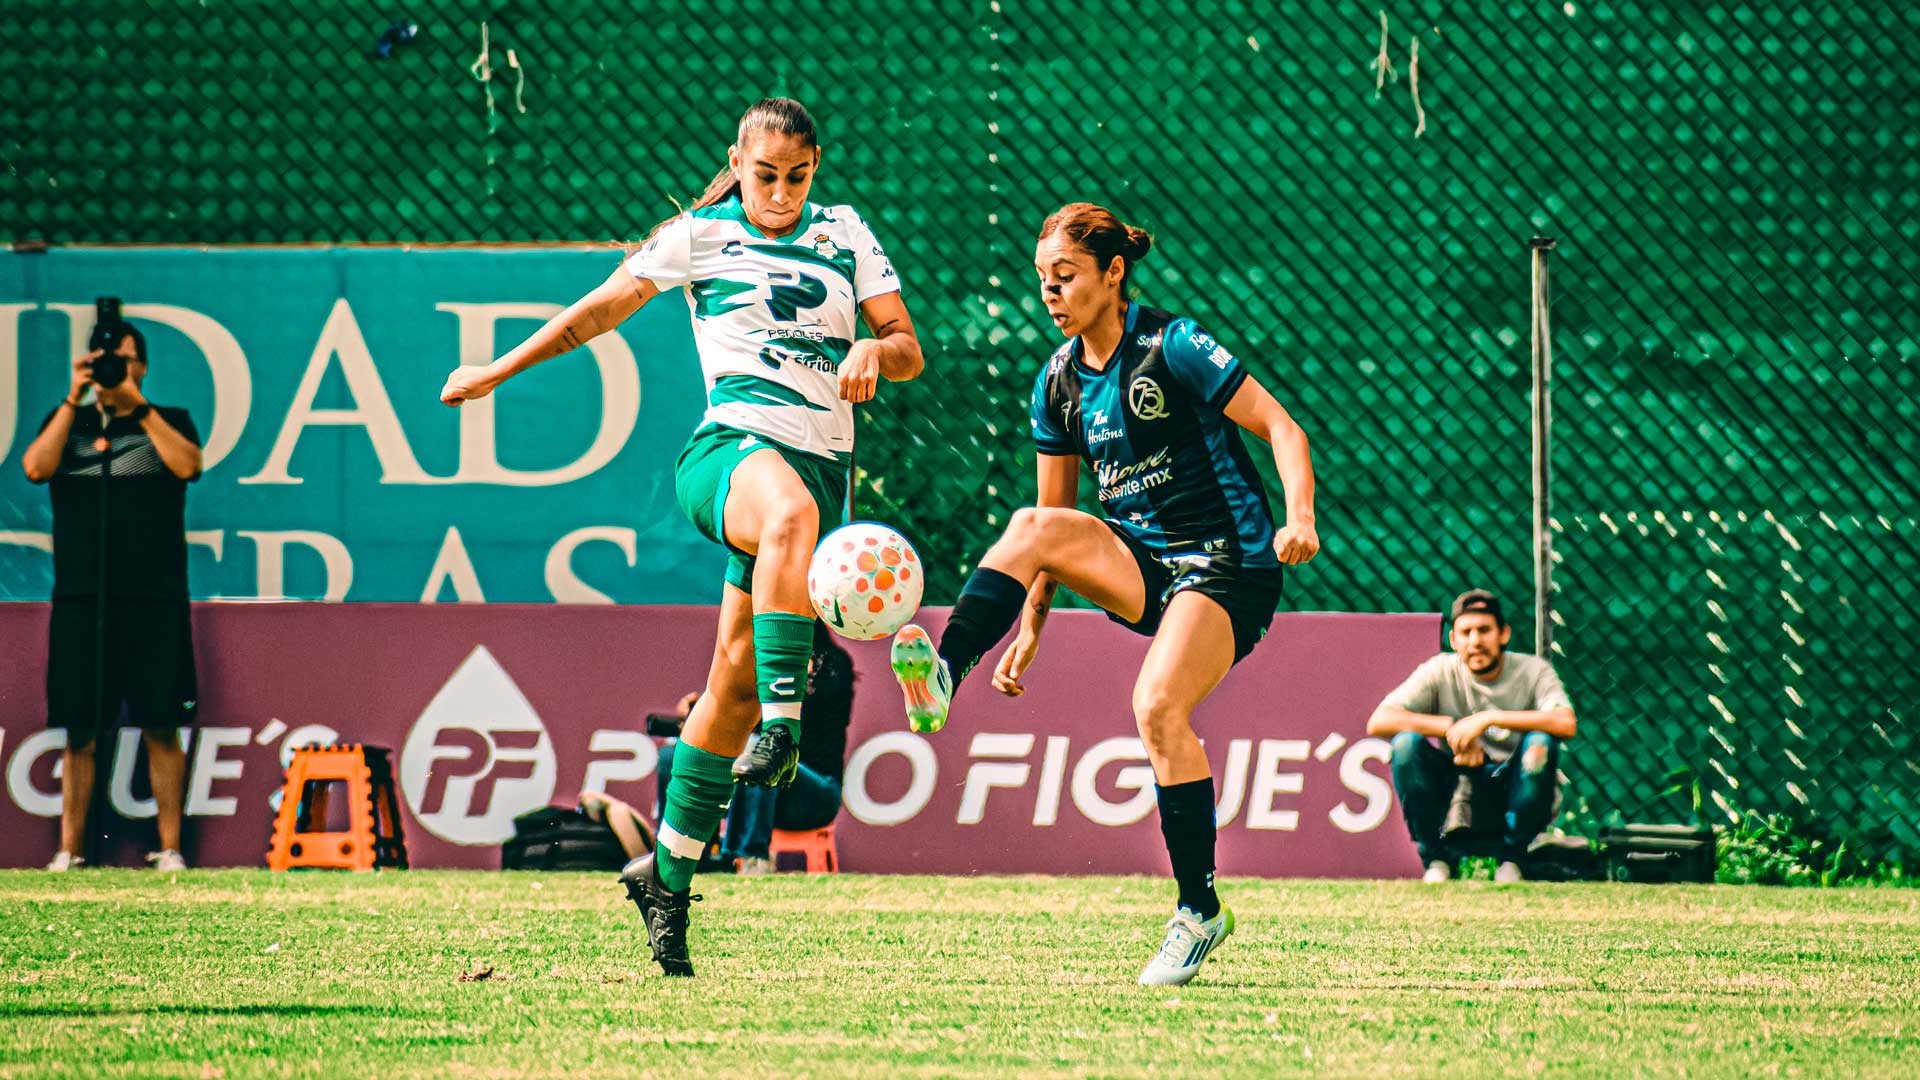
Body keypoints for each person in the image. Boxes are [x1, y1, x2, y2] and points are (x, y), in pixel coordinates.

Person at [439, 97, 921, 977]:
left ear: (818, 168)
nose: (779, 191)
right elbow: (596, 311)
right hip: (732, 455)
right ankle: (786, 723)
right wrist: (496, 371)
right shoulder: (699, 236)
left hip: (817, 476)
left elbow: (906, 346)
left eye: (797, 175)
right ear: (737, 161)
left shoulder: (846, 231)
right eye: (764, 173)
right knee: (784, 523)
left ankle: (665, 877)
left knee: (726, 692)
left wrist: (871, 352)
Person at [889, 202, 1319, 987]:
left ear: (1113, 274)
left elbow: (1284, 429)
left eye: (1066, 277)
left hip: (1229, 564)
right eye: (1042, 281)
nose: (1050, 294)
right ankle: (947, 669)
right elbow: (1054, 529)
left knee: (1157, 708)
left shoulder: (1173, 344)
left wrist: (1301, 519)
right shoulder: (1056, 381)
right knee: (1029, 520)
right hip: (1143, 564)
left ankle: (1199, 912)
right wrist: (1028, 630)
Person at [19, 323, 204, 872]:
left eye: (122, 361)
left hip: (155, 598)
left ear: (141, 367)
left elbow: (189, 466)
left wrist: (136, 405)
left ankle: (170, 849)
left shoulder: (167, 421)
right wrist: (72, 396)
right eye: (104, 360)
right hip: (82, 599)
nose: (112, 370)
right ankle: (69, 849)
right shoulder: (69, 424)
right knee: (80, 727)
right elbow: (35, 467)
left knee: (160, 722)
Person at [1367, 589, 1578, 884]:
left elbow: (1565, 722)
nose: (1475, 641)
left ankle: (1513, 859)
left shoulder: (1533, 671)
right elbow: (1380, 720)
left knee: (1540, 744)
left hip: (1510, 785)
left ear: (1503, 634)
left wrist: (1488, 718)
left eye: (1484, 630)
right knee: (1405, 745)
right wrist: (1453, 728)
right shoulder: (1439, 670)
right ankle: (1436, 860)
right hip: (1457, 787)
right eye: (1466, 632)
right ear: (1453, 639)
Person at [653, 624, 854, 873]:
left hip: (814, 791)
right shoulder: (760, 662)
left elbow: (789, 724)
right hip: (764, 791)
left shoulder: (833, 664)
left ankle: (746, 857)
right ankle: (678, 852)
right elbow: (732, 713)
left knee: (757, 752)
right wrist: (701, 715)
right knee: (673, 754)